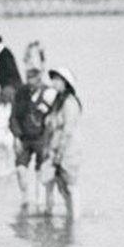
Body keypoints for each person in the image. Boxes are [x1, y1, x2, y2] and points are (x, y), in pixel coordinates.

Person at [9, 66, 55, 210]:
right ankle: (25, 198)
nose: (30, 83)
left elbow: (54, 119)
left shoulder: (49, 93)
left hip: (42, 138)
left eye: (34, 79)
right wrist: (16, 136)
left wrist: (50, 141)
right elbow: (13, 117)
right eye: (28, 79)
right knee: (20, 170)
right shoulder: (21, 92)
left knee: (41, 172)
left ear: (40, 79)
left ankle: (40, 203)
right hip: (24, 137)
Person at [45, 68, 82, 219]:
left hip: (68, 150)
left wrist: (60, 152)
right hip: (56, 147)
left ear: (65, 83)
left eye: (57, 79)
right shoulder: (57, 100)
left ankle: (74, 219)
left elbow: (68, 130)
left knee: (70, 185)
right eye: (53, 78)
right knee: (60, 185)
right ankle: (68, 217)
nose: (53, 82)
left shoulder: (70, 103)